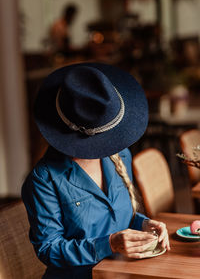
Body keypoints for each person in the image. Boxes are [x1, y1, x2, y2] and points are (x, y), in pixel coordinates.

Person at [21, 63, 170, 279]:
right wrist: (109, 244)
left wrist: (144, 224)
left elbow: (117, 219)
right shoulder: (44, 179)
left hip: (122, 272)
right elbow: (48, 249)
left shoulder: (120, 155)